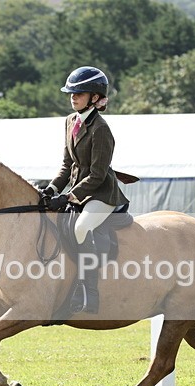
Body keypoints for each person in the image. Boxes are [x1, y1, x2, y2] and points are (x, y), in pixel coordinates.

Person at [41, 66, 129, 314]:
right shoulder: (70, 121)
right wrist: (51, 189)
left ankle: (89, 291)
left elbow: (97, 175)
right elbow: (67, 165)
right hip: (80, 191)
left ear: (94, 97)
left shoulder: (101, 129)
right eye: (71, 93)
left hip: (101, 194)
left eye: (79, 93)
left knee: (81, 227)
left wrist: (70, 195)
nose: (73, 97)